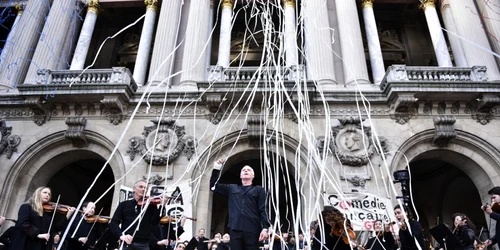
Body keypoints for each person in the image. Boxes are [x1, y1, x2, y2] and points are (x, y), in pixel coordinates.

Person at [210, 159, 270, 250]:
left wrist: (265, 228)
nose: (245, 170)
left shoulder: (259, 190)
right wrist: (217, 167)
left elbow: (263, 208)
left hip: (252, 228)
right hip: (235, 228)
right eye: (243, 170)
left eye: (248, 170)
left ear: (253, 176)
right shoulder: (232, 188)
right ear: (240, 175)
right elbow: (213, 187)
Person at [9, 186, 76, 250]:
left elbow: (55, 228)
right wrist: (38, 234)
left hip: (41, 245)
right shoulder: (26, 207)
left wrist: (68, 215)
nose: (47, 195)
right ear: (38, 193)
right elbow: (23, 223)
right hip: (27, 243)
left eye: (49, 194)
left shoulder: (48, 212)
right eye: (45, 192)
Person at [109, 180, 161, 250]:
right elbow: (114, 222)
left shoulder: (150, 206)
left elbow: (154, 223)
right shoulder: (124, 205)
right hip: (127, 242)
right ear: (134, 189)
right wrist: (121, 236)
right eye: (141, 187)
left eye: (145, 188)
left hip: (144, 244)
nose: (143, 189)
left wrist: (162, 207)